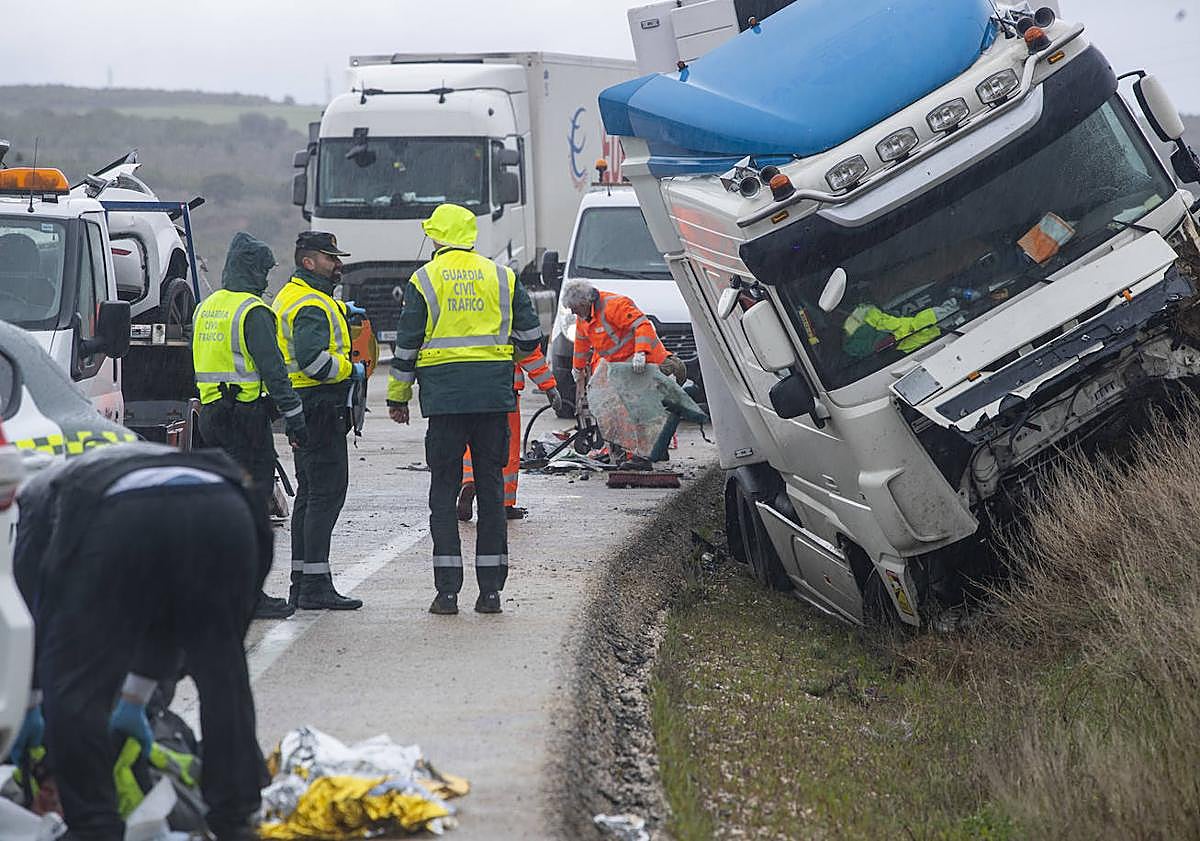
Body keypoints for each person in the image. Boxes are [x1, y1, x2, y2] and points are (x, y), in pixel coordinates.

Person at [10, 442, 270, 841]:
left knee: (75, 686)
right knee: (223, 673)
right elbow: (163, 613)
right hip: (227, 505)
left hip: (123, 518)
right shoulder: (115, 463)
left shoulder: (34, 498)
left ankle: (95, 827)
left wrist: (30, 699)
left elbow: (35, 613)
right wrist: (135, 697)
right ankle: (236, 816)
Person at [387, 203, 542, 615]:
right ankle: (490, 593)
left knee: (443, 492)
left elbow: (406, 347)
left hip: (445, 403)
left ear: (438, 238)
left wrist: (397, 398)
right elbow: (530, 336)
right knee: (491, 492)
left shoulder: (425, 279)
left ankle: (447, 593)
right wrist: (506, 356)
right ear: (471, 237)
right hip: (493, 399)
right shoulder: (502, 276)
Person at [193, 231, 306, 620]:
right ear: (252, 269)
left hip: (211, 419)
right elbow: (274, 371)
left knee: (223, 507)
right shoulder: (252, 311)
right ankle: (250, 595)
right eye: (264, 271)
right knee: (252, 511)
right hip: (245, 420)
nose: (266, 279)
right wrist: (294, 415)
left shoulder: (206, 307)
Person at [272, 231, 366, 611]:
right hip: (320, 406)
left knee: (310, 496)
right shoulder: (311, 303)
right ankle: (314, 587)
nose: (337, 264)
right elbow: (313, 361)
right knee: (326, 494)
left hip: (303, 406)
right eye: (330, 258)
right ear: (308, 262)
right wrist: (351, 368)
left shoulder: (299, 296)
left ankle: (304, 581)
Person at [560, 280, 688, 468]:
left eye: (574, 308)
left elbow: (642, 325)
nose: (572, 312)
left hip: (654, 363)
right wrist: (577, 368)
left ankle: (644, 457)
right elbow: (581, 345)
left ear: (584, 302)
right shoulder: (584, 318)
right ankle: (649, 450)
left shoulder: (614, 305)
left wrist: (641, 352)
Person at [457, 345, 560, 522]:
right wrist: (549, 386)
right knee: (505, 444)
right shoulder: (509, 316)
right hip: (503, 386)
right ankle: (504, 503)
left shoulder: (457, 316)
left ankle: (469, 478)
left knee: (470, 437)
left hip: (468, 383)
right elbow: (527, 350)